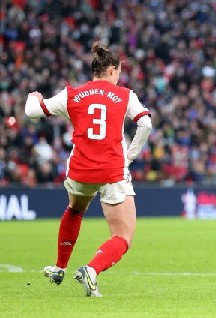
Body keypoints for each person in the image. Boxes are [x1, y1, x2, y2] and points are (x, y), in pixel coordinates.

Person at [25, 42, 152, 297]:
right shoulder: (125, 95)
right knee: (123, 236)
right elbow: (146, 124)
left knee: (74, 210)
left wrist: (34, 97)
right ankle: (91, 271)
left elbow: (31, 112)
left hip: (80, 169)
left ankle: (59, 267)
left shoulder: (72, 94)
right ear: (113, 70)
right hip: (111, 170)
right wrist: (130, 155)